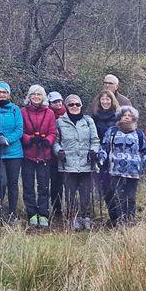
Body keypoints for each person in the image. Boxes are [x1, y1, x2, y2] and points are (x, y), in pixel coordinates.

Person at [98, 106, 146, 226]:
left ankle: (130, 220)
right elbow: (104, 147)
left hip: (133, 171)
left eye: (130, 116)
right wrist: (100, 159)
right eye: (124, 115)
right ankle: (119, 221)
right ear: (120, 117)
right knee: (118, 196)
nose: (127, 118)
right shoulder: (112, 131)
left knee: (131, 197)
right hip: (116, 170)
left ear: (134, 119)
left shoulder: (139, 134)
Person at [54, 94, 98, 231]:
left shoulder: (88, 121)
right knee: (70, 194)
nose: (74, 107)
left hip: (86, 163)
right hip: (68, 164)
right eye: (71, 104)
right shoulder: (60, 122)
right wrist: (58, 151)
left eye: (77, 104)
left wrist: (94, 151)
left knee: (86, 193)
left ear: (81, 106)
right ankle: (74, 218)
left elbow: (95, 140)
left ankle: (86, 218)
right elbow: (55, 141)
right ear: (66, 106)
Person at [0, 82, 23, 222]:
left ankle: (12, 213)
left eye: (5, 92)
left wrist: (7, 140)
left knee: (13, 182)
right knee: (1, 181)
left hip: (14, 152)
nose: (2, 94)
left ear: (9, 94)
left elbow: (19, 129)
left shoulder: (15, 110)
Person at [21, 84, 56, 228]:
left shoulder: (49, 113)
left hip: (44, 154)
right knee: (28, 185)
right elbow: (20, 130)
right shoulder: (22, 111)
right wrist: (29, 139)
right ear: (29, 97)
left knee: (43, 186)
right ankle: (31, 213)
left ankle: (43, 213)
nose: (36, 97)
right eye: (33, 94)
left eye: (39, 94)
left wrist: (48, 141)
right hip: (28, 154)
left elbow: (53, 131)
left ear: (43, 97)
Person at [45, 90, 65, 219]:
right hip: (49, 154)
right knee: (51, 182)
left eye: (59, 101)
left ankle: (60, 208)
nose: (58, 104)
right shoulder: (48, 114)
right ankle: (52, 207)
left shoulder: (66, 113)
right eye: (55, 102)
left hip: (64, 154)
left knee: (60, 182)